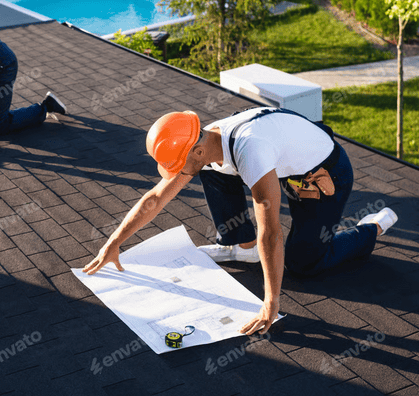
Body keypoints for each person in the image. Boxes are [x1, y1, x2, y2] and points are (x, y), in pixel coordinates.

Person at [83, 107, 398, 336]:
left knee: (304, 264)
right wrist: (114, 244)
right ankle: (239, 244)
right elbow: (156, 198)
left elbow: (271, 233)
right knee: (209, 170)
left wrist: (270, 302)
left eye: (180, 165)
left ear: (197, 147)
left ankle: (370, 229)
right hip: (284, 165)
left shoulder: (250, 150)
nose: (179, 173)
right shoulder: (207, 140)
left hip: (322, 176)